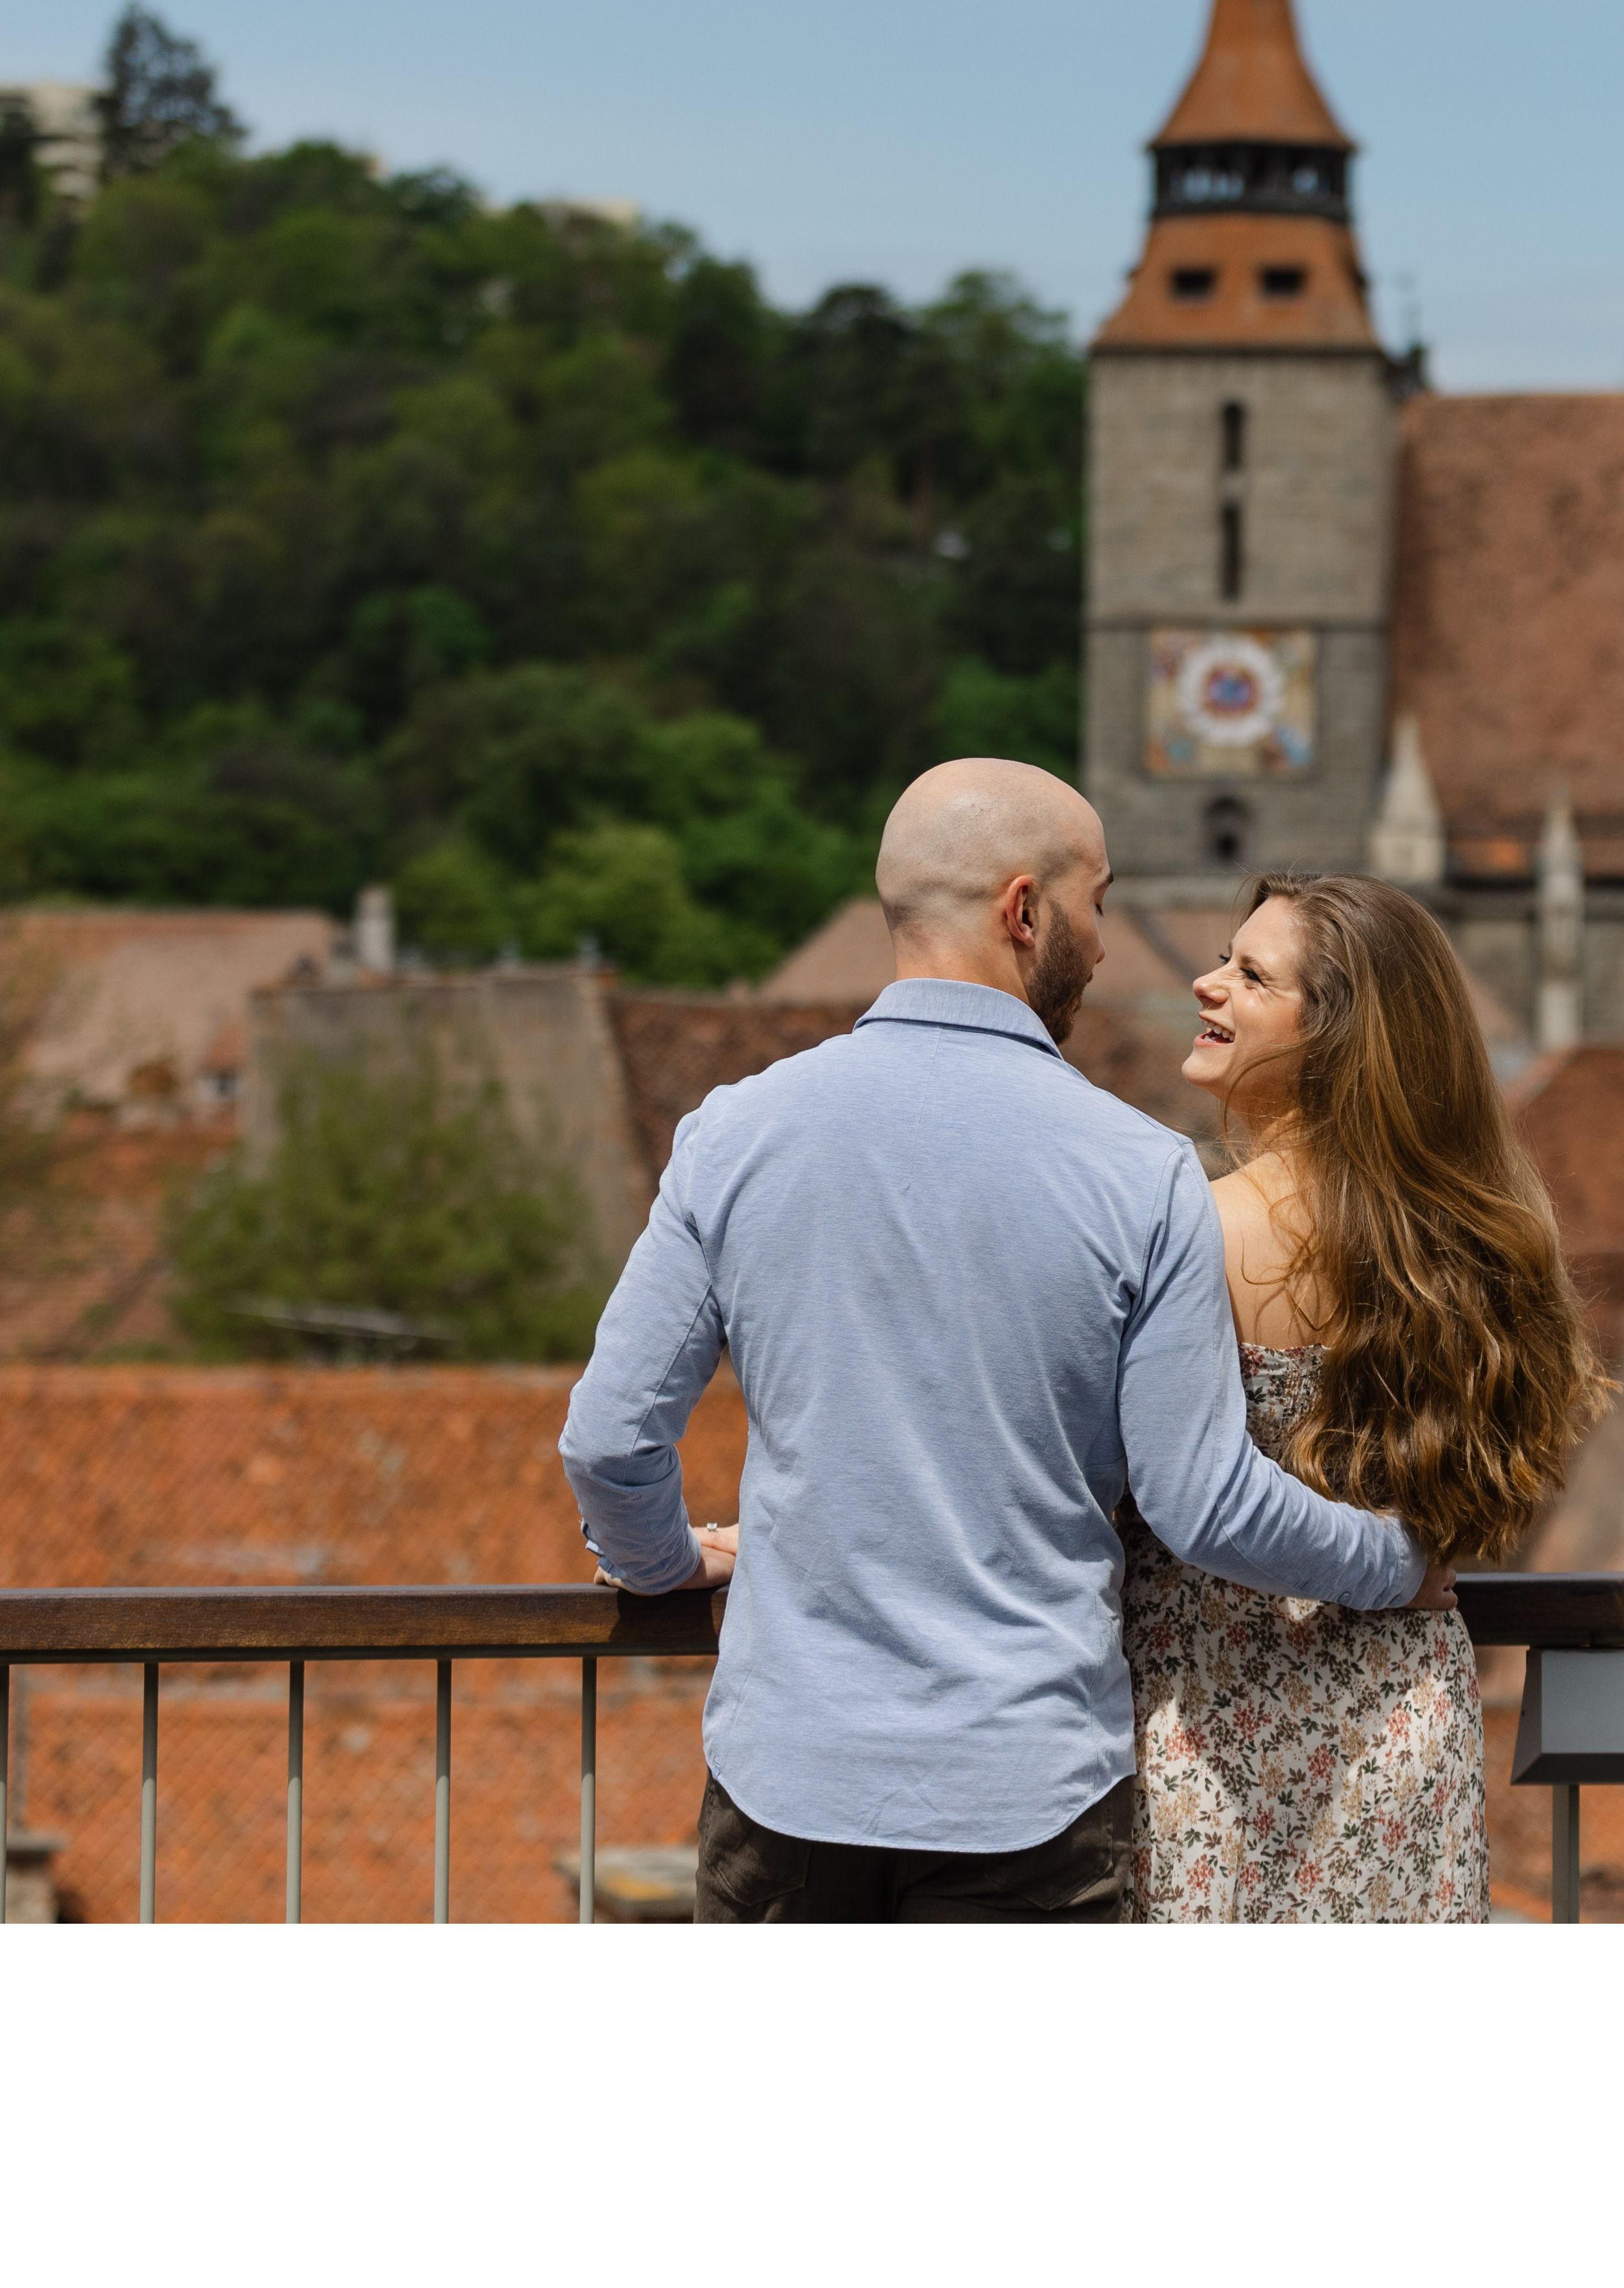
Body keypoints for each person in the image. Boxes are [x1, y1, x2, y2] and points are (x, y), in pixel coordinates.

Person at [559, 757, 1445, 1924]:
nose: (1108, 942)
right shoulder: (1139, 1173)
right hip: (1026, 1793)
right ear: (1025, 912)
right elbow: (1202, 1502)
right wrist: (1393, 1562)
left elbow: (611, 1438)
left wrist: (665, 1565)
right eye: (1096, 902)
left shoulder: (737, 1131)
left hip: (789, 1783)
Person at [1130, 871, 1602, 1921]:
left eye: (1250, 975)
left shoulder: (1193, 1231)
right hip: (1402, 1726)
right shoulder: (1468, 1244)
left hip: (1215, 1729)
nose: (1206, 984)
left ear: (1334, 1036)